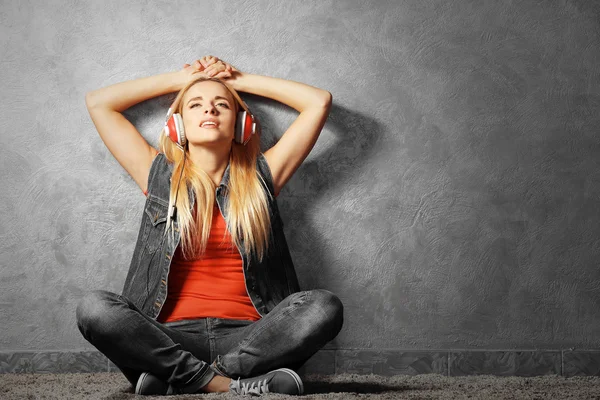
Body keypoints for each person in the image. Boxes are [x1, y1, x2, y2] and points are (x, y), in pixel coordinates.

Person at [75, 55, 343, 396]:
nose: (210, 110)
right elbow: (99, 103)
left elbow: (318, 102)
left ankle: (188, 380)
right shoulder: (157, 174)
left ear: (241, 125)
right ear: (178, 126)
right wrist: (185, 79)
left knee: (324, 306)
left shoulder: (262, 176)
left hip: (253, 338)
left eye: (222, 105)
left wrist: (237, 80)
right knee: (94, 308)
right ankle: (233, 387)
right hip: (168, 337)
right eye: (196, 105)